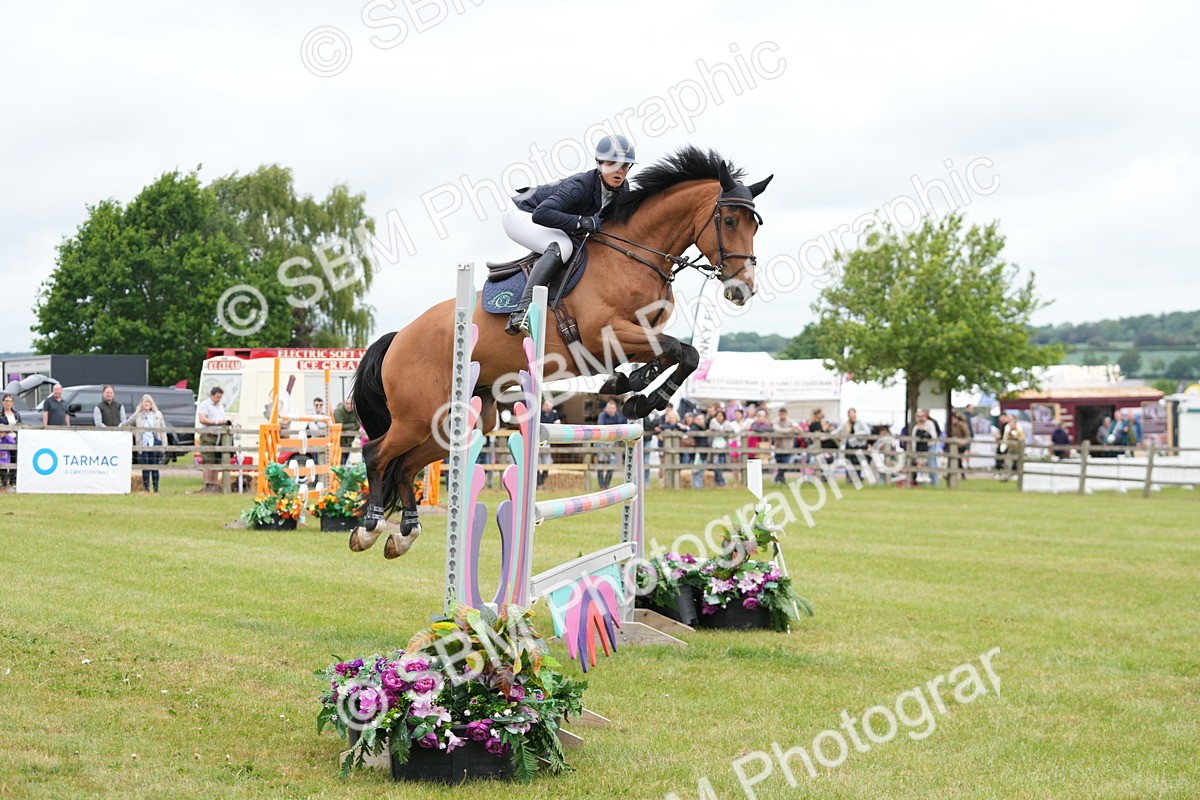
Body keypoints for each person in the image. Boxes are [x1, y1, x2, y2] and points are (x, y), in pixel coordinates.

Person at [502, 134, 635, 335]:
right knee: (562, 246)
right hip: (522, 215)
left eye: (625, 166)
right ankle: (522, 309)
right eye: (613, 163)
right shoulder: (580, 185)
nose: (620, 170)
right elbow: (542, 214)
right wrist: (581, 221)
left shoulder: (623, 190)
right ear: (600, 163)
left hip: (547, 219)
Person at [126, 394, 167, 493]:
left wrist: (164, 445)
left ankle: (156, 488)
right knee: (145, 467)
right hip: (143, 444)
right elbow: (128, 423)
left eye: (148, 402)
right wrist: (134, 433)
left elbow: (163, 430)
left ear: (151, 403)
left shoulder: (158, 414)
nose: (146, 404)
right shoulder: (138, 414)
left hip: (155, 443)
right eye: (144, 402)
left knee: (154, 467)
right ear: (141, 403)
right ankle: (146, 488)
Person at [197, 386, 233, 493]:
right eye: (217, 397)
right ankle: (208, 484)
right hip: (208, 435)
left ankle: (214, 484)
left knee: (217, 460)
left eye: (220, 397)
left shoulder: (220, 406)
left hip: (219, 436)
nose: (218, 399)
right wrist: (217, 423)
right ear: (212, 396)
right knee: (208, 460)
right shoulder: (204, 405)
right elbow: (202, 419)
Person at [595, 399, 628, 489]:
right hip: (601, 441)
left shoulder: (617, 416)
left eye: (613, 408)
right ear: (606, 408)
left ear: (615, 409)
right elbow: (601, 426)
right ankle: (601, 485)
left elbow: (622, 426)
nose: (611, 410)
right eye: (609, 408)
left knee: (612, 463)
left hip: (612, 442)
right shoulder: (602, 415)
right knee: (600, 463)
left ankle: (607, 483)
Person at [836, 407, 872, 484]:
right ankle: (850, 481)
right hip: (849, 446)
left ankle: (859, 481)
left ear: (855, 414)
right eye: (850, 414)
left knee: (858, 463)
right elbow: (837, 431)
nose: (851, 416)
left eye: (853, 414)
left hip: (859, 446)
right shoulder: (846, 424)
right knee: (849, 463)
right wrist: (827, 435)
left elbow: (867, 431)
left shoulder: (860, 422)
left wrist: (856, 434)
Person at [772, 407, 801, 484]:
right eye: (781, 414)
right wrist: (790, 430)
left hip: (788, 446)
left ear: (786, 414)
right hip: (778, 446)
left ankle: (777, 477)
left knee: (786, 463)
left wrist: (795, 429)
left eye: (784, 414)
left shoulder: (791, 421)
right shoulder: (775, 421)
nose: (782, 415)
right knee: (779, 463)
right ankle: (782, 480)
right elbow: (777, 429)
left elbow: (799, 430)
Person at [0, 393, 21, 489]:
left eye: (10, 401)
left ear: (13, 403)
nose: (8, 403)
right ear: (3, 402)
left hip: (14, 439)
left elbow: (20, 426)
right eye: (6, 401)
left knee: (14, 459)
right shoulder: (1, 415)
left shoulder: (16, 414)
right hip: (3, 440)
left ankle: (13, 481)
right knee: (3, 460)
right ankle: (3, 481)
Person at [538, 399, 560, 488]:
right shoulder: (539, 413)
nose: (548, 408)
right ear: (543, 405)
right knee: (537, 463)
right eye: (546, 406)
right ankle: (538, 482)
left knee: (547, 462)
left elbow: (558, 424)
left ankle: (542, 480)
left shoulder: (554, 413)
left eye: (549, 407)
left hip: (547, 441)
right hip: (538, 440)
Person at [333, 397, 361, 465]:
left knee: (345, 459)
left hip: (349, 440)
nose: (349, 405)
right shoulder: (338, 411)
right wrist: (351, 425)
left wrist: (346, 427)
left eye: (351, 404)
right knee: (338, 460)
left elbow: (357, 426)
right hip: (338, 440)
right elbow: (340, 426)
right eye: (347, 403)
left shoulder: (355, 412)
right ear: (344, 404)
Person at [707, 409, 730, 487]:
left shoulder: (727, 423)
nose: (719, 417)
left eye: (721, 415)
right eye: (718, 415)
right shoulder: (713, 422)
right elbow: (713, 427)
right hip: (714, 447)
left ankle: (719, 480)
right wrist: (722, 430)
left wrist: (720, 430)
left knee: (721, 464)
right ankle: (720, 481)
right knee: (716, 464)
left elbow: (730, 429)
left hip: (723, 447)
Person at [949, 411, 972, 480]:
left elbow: (966, 435)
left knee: (958, 460)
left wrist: (962, 443)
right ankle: (960, 475)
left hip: (961, 445)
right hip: (954, 445)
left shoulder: (961, 425)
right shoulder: (950, 426)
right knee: (955, 460)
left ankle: (961, 475)